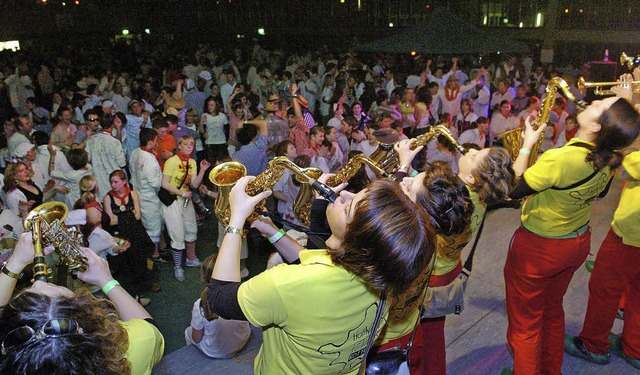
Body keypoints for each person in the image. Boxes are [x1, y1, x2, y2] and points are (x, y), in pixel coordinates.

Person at [202, 176, 434, 374]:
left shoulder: (287, 283)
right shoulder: (384, 272)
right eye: (354, 195)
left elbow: (219, 297)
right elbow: (308, 261)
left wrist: (236, 220)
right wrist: (269, 229)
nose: (344, 196)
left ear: (357, 243)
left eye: (348, 208)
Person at [504, 96, 640, 375]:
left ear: (595, 125)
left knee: (525, 325)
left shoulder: (560, 159)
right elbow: (601, 193)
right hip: (575, 242)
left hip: (539, 249)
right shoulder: (611, 157)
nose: (595, 100)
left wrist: (527, 145)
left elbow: (511, 189)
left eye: (600, 105)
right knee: (552, 311)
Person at [0, 233, 164, 374]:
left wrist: (15, 263)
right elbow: (149, 327)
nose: (38, 283)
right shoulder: (130, 349)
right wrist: (106, 281)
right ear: (90, 316)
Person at [564, 149, 640, 370]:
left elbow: (625, 167)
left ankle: (593, 345)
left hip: (631, 237)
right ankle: (634, 347)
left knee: (604, 288)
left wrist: (626, 146)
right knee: (637, 292)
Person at [103, 170, 161, 295]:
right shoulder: (108, 198)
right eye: (111, 182)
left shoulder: (132, 194)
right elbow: (110, 221)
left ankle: (146, 281)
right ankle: (132, 288)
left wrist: (121, 217)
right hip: (120, 234)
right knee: (125, 262)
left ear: (124, 181)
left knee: (140, 257)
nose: (113, 185)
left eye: (116, 182)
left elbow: (138, 215)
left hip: (135, 231)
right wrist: (129, 215)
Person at [161, 136, 210, 281]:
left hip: (186, 201)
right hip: (173, 201)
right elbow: (164, 183)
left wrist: (202, 170)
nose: (189, 146)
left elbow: (194, 184)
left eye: (192, 144)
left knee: (191, 229)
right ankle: (178, 266)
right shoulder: (171, 161)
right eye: (186, 144)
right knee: (176, 233)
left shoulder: (192, 162)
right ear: (179, 146)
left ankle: (191, 258)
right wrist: (182, 193)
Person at [184, 254, 251, 358]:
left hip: (216, 351)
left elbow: (196, 338)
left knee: (188, 332)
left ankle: (193, 360)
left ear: (205, 277)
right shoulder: (243, 291)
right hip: (243, 339)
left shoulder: (201, 304)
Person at [128, 128, 164, 261]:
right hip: (149, 197)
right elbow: (155, 183)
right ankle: (153, 254)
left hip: (137, 195)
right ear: (150, 142)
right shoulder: (149, 159)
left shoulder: (135, 152)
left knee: (143, 224)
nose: (157, 143)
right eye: (155, 140)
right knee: (153, 226)